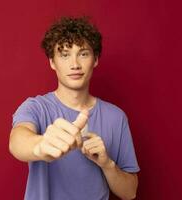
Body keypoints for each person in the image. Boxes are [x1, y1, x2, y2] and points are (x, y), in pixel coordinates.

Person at [9, 16, 140, 200]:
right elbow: (17, 140)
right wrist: (40, 146)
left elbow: (129, 192)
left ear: (95, 59)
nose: (75, 64)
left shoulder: (116, 117)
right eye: (64, 54)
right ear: (52, 62)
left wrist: (107, 164)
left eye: (83, 53)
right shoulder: (35, 107)